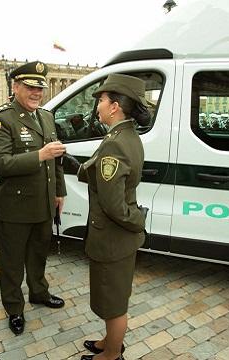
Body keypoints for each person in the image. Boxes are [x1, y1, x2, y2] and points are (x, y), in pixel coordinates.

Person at [0, 60, 67, 335]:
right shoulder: (1, 118)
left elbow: (56, 160)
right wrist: (38, 155)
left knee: (38, 254)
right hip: (15, 207)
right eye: (31, 87)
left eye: (40, 87)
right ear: (15, 86)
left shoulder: (46, 116)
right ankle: (14, 308)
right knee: (12, 263)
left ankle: (39, 292)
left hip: (43, 204)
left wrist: (59, 192)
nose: (37, 92)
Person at [77, 74, 150, 360]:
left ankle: (111, 355)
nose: (97, 107)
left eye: (102, 101)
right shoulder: (125, 135)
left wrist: (137, 222)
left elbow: (112, 204)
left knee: (113, 302)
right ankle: (110, 341)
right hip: (119, 239)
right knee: (114, 294)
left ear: (115, 106)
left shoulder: (115, 143)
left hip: (112, 238)